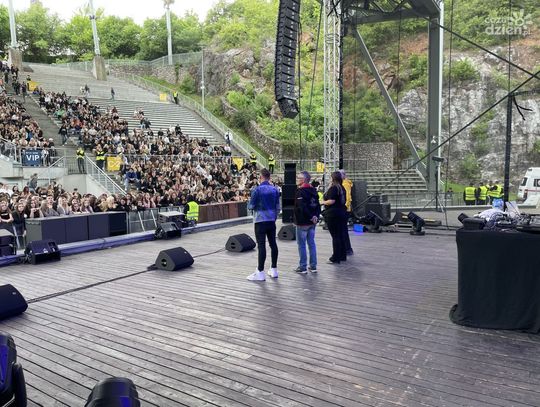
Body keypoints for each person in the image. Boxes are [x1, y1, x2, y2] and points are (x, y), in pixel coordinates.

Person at [247, 168, 280, 281]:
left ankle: (260, 272)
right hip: (271, 220)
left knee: (261, 246)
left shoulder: (257, 190)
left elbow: (251, 206)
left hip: (260, 221)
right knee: (273, 244)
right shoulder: (275, 189)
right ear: (269, 177)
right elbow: (278, 207)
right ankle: (274, 269)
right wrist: (274, 217)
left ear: (260, 177)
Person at [293, 171, 320, 274]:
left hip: (303, 222)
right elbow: (317, 205)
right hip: (312, 222)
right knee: (311, 243)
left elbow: (301, 207)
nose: (297, 179)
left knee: (302, 245)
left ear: (303, 180)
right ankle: (313, 266)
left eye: (298, 178)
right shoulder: (314, 190)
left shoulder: (300, 191)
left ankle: (303, 267)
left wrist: (310, 217)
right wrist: (315, 216)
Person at [321, 171, 348, 264]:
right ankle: (342, 255)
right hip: (341, 213)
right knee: (340, 235)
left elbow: (331, 201)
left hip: (333, 214)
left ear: (333, 179)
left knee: (335, 236)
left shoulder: (334, 188)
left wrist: (321, 202)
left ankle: (335, 257)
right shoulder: (342, 188)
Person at [339, 169, 354, 255]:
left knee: (343, 230)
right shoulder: (343, 183)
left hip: (345, 209)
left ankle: (348, 249)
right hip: (345, 209)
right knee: (343, 229)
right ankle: (346, 248)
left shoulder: (345, 184)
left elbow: (348, 197)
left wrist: (345, 207)